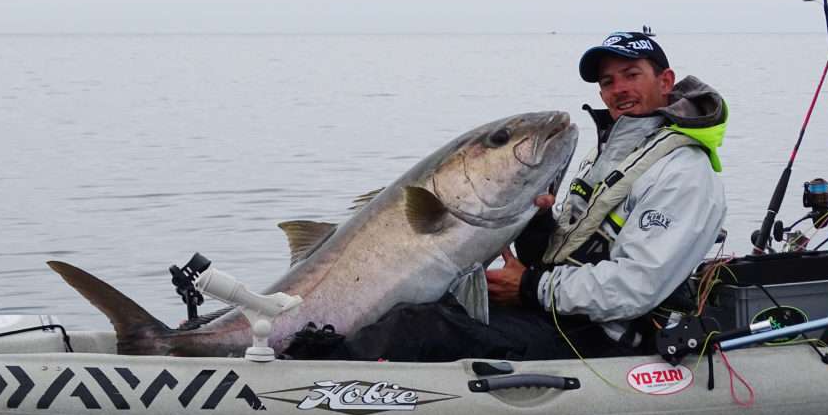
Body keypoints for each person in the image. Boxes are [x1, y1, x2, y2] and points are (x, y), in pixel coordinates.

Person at [290, 30, 727, 361]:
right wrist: (538, 227)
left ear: (666, 80)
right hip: (562, 314)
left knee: (413, 327)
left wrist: (532, 287)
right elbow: (571, 252)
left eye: (632, 75)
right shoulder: (614, 152)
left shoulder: (683, 172)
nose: (618, 90)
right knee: (426, 306)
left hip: (605, 337)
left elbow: (635, 287)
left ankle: (302, 386)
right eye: (608, 81)